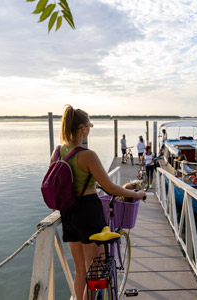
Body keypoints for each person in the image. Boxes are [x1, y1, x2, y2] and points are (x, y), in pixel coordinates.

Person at [51, 105, 146, 300]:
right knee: (94, 271)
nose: (89, 131)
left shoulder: (58, 151)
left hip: (68, 212)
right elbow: (110, 188)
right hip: (88, 212)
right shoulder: (88, 155)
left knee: (79, 270)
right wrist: (136, 194)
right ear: (83, 129)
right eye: (89, 127)